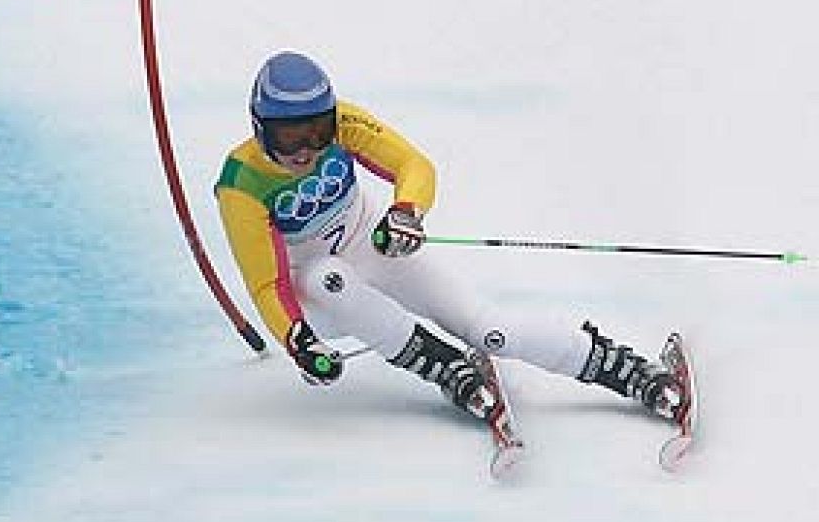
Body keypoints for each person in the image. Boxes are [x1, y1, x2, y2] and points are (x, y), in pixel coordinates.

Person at [214, 50, 684, 422]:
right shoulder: (241, 185)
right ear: (260, 130)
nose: (307, 150)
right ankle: (443, 365)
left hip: (375, 249)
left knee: (490, 331)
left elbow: (414, 166)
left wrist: (406, 212)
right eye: (289, 138)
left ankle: (632, 372)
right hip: (317, 302)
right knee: (327, 277)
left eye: (318, 133)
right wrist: (300, 342)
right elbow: (267, 285)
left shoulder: (346, 125)